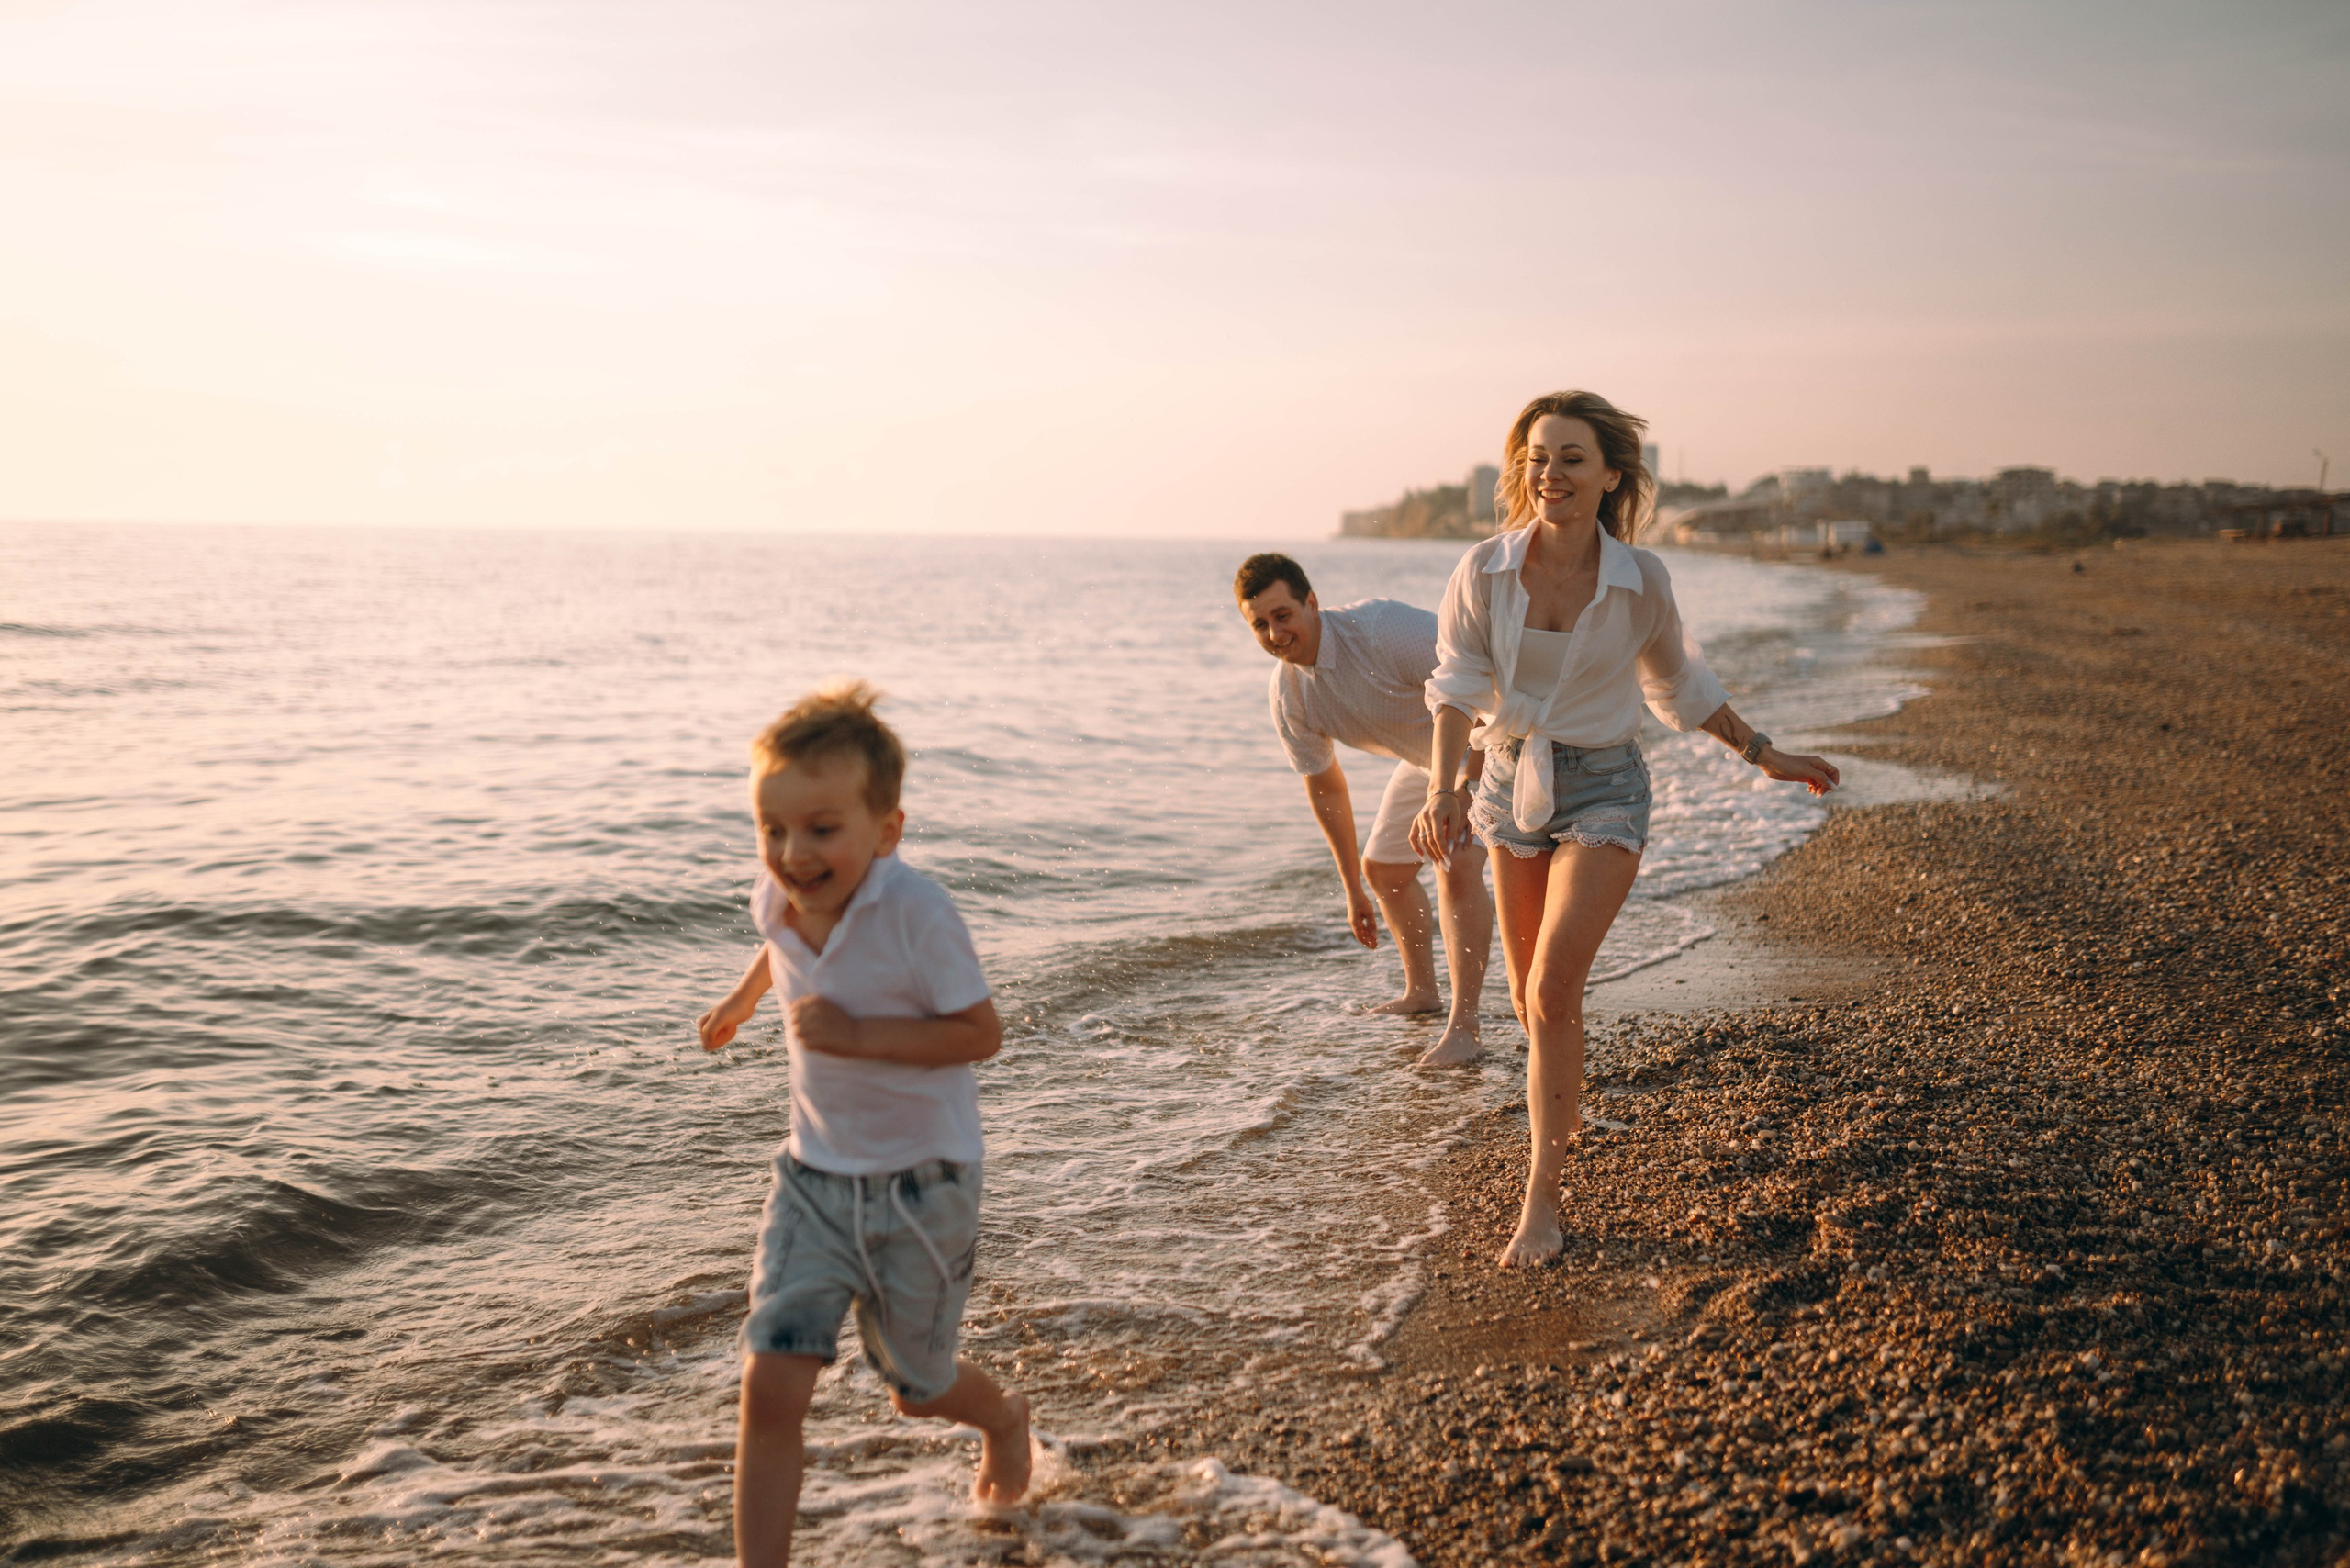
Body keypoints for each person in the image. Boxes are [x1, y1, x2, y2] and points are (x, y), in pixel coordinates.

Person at [1411, 392, 1840, 1268]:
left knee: (1550, 992)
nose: (1549, 474)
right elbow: (1454, 687)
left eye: (1571, 459)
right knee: (1533, 999)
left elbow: (1678, 687)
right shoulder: (1483, 569)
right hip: (1505, 785)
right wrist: (1444, 787)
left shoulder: (1641, 579)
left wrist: (1762, 753)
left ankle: (1542, 1203)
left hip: (1606, 787)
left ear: (1610, 476)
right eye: (1537, 456)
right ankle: (1563, 1103)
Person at [696, 684, 1030, 1566]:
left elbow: (981, 1034)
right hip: (811, 1179)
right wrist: (740, 999)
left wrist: (856, 1036)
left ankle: (1003, 1419)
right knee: (769, 1387)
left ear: (886, 831)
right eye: (771, 829)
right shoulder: (780, 890)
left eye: (821, 828)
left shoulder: (918, 914)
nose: (792, 854)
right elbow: (779, 938)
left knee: (917, 1393)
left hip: (925, 1186)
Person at [1236, 553, 1496, 1066]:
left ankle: (1465, 1028)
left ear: (1311, 603)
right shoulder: (1289, 694)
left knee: (1455, 860)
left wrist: (1464, 787)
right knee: (1386, 869)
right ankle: (1422, 992)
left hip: (1499, 741)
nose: (1274, 633)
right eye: (1259, 625)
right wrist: (1352, 885)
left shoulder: (1379, 628)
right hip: (1427, 761)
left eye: (1282, 615)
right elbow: (1326, 786)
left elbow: (1487, 679)